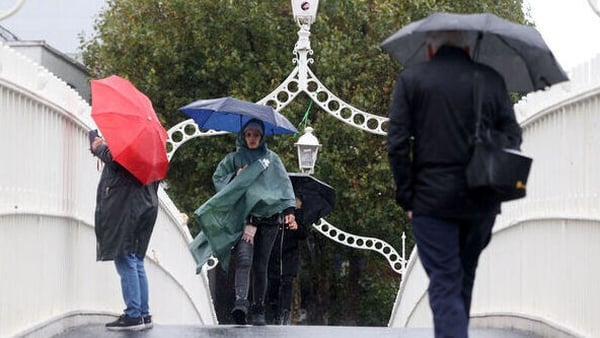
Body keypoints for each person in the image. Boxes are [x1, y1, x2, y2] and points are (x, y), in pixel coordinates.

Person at [386, 31, 522, 338]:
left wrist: (408, 197)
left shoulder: (413, 80)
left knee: (445, 282)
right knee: (463, 278)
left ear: (431, 47)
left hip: (431, 200)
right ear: (468, 46)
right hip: (482, 198)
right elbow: (513, 136)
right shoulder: (491, 80)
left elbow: (396, 144)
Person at [194, 118, 297, 326]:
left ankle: (258, 309)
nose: (252, 139)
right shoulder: (234, 158)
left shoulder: (272, 159)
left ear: (262, 137)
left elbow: (283, 185)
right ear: (243, 135)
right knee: (243, 260)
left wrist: (289, 211)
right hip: (244, 219)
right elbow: (220, 179)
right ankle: (241, 304)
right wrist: (236, 178)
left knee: (261, 265)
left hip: (268, 221)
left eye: (256, 135)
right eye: (248, 134)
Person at [89, 131, 160, 331]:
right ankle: (143, 314)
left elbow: (118, 159)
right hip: (147, 204)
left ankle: (133, 314)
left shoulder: (133, 138)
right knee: (136, 258)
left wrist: (98, 147)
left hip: (131, 205)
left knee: (125, 256)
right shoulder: (152, 143)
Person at [266, 197, 309, 325]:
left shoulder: (298, 212)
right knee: (273, 283)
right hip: (272, 254)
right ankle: (274, 310)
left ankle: (285, 312)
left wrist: (296, 227)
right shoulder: (272, 208)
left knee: (287, 283)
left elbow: (304, 233)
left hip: (289, 255)